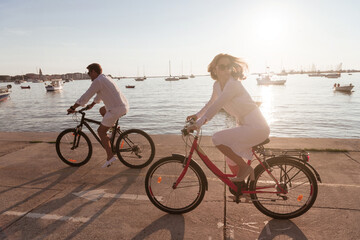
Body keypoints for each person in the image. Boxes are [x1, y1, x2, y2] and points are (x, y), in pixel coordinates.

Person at [186, 53, 270, 182]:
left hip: (256, 126)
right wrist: (197, 116)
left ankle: (245, 168)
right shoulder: (217, 85)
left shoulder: (233, 84)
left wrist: (198, 124)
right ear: (215, 69)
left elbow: (217, 105)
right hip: (244, 124)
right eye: (222, 66)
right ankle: (240, 187)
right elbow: (211, 104)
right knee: (230, 157)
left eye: (228, 66)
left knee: (217, 138)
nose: (226, 69)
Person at [67, 63, 129, 168]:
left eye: (89, 73)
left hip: (116, 109)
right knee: (102, 110)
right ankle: (114, 130)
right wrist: (92, 104)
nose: (88, 75)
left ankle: (110, 156)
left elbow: (86, 95)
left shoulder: (98, 81)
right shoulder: (105, 78)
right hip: (122, 106)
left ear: (94, 72)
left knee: (101, 131)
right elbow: (100, 94)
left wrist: (73, 107)